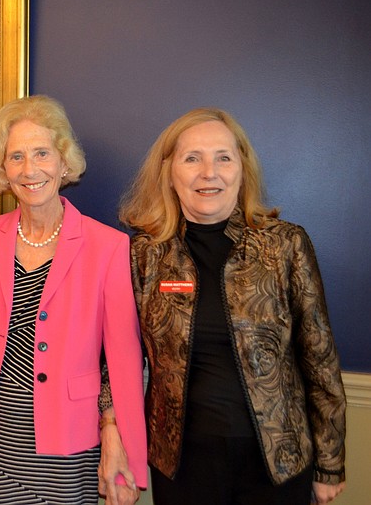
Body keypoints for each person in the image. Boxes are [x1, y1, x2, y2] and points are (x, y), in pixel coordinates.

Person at [0, 95, 148, 505]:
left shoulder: (108, 247)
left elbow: (123, 359)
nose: (30, 169)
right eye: (16, 157)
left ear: (64, 162)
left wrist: (121, 444)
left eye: (41, 153)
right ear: (3, 170)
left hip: (69, 449)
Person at [118, 107, 346, 505]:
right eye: (193, 158)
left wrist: (330, 463)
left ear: (242, 169)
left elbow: (319, 356)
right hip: (181, 463)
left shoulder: (284, 246)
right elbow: (118, 359)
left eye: (223, 157)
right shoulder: (144, 254)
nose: (210, 172)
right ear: (169, 171)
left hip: (278, 461)